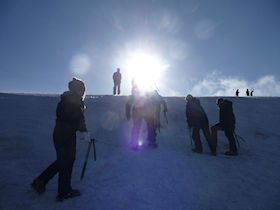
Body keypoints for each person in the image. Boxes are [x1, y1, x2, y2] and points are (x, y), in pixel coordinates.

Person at [31, 78, 90, 201]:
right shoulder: (73, 101)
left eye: (83, 89)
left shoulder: (67, 99)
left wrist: (82, 130)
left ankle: (41, 181)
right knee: (67, 162)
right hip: (66, 135)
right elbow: (77, 119)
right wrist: (84, 131)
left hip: (60, 134)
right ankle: (64, 191)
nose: (82, 91)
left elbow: (73, 118)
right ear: (76, 89)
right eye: (81, 88)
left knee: (62, 161)